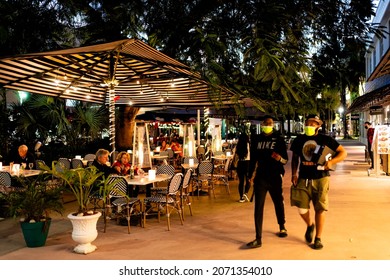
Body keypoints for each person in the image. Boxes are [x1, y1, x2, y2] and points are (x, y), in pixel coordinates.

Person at [290, 115, 347, 250]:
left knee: (320, 208)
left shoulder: (325, 139)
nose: (310, 126)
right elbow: (295, 158)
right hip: (303, 178)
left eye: (313, 124)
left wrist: (332, 162)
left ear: (319, 126)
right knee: (302, 208)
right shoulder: (299, 140)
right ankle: (310, 225)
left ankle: (318, 238)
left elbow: (343, 152)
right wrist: (294, 173)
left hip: (321, 178)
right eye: (308, 123)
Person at [246, 115, 289, 249]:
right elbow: (253, 158)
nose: (267, 125)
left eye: (270, 123)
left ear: (273, 125)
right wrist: (250, 174)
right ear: (262, 124)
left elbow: (285, 160)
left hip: (275, 176)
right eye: (265, 123)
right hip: (261, 177)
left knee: (278, 202)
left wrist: (279, 158)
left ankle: (282, 226)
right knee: (258, 206)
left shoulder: (279, 139)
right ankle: (258, 238)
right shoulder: (257, 139)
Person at [232, 132, 251, 203]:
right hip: (247, 163)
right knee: (248, 180)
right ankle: (245, 193)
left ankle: (241, 197)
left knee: (241, 182)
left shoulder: (238, 145)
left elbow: (235, 154)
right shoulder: (249, 145)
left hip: (240, 163)